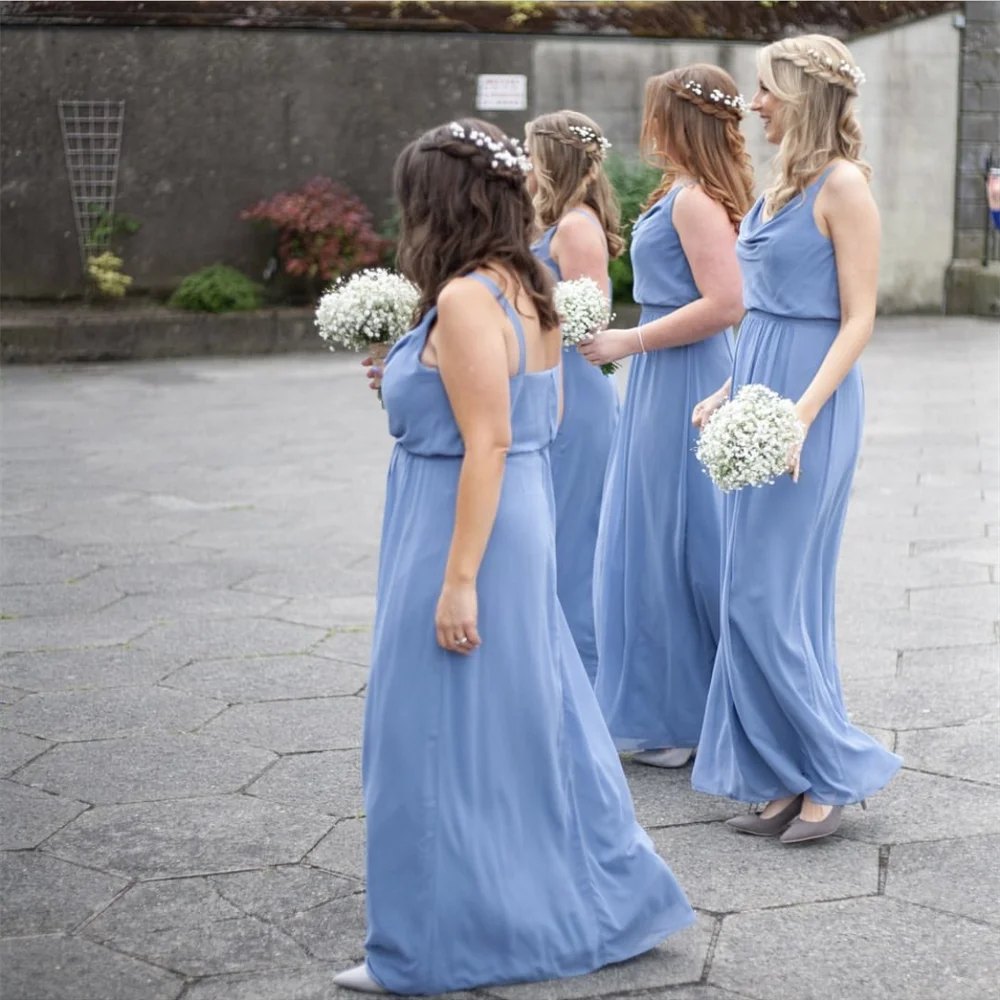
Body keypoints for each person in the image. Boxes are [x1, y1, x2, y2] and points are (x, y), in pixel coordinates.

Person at [336, 118, 694, 996]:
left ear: (439, 202)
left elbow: (486, 443)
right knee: (527, 720)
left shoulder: (464, 296)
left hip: (461, 522)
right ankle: (569, 894)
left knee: (429, 730)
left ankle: (430, 943)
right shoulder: (523, 284)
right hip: (513, 511)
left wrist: (459, 578)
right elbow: (543, 419)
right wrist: (412, 375)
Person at [690, 35, 901, 845]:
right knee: (749, 587)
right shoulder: (782, 183)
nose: (754, 103)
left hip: (813, 400)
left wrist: (799, 415)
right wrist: (732, 386)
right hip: (760, 390)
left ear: (805, 94)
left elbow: (859, 319)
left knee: (767, 596)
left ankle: (831, 769)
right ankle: (783, 773)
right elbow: (765, 304)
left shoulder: (845, 187)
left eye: (767, 89)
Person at [579, 65, 751, 769]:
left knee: (675, 539)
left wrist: (629, 339)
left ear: (678, 122)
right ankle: (672, 709)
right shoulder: (681, 193)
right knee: (655, 540)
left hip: (684, 374)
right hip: (663, 375)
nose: (645, 128)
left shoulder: (694, 202)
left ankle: (679, 719)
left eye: (655, 114)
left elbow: (727, 302)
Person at [525, 110, 621, 682]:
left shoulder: (576, 228)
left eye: (531, 151)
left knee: (575, 542)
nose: (524, 161)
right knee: (554, 536)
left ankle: (585, 683)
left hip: (574, 390)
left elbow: (590, 318)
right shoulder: (551, 223)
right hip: (548, 378)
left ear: (553, 160)